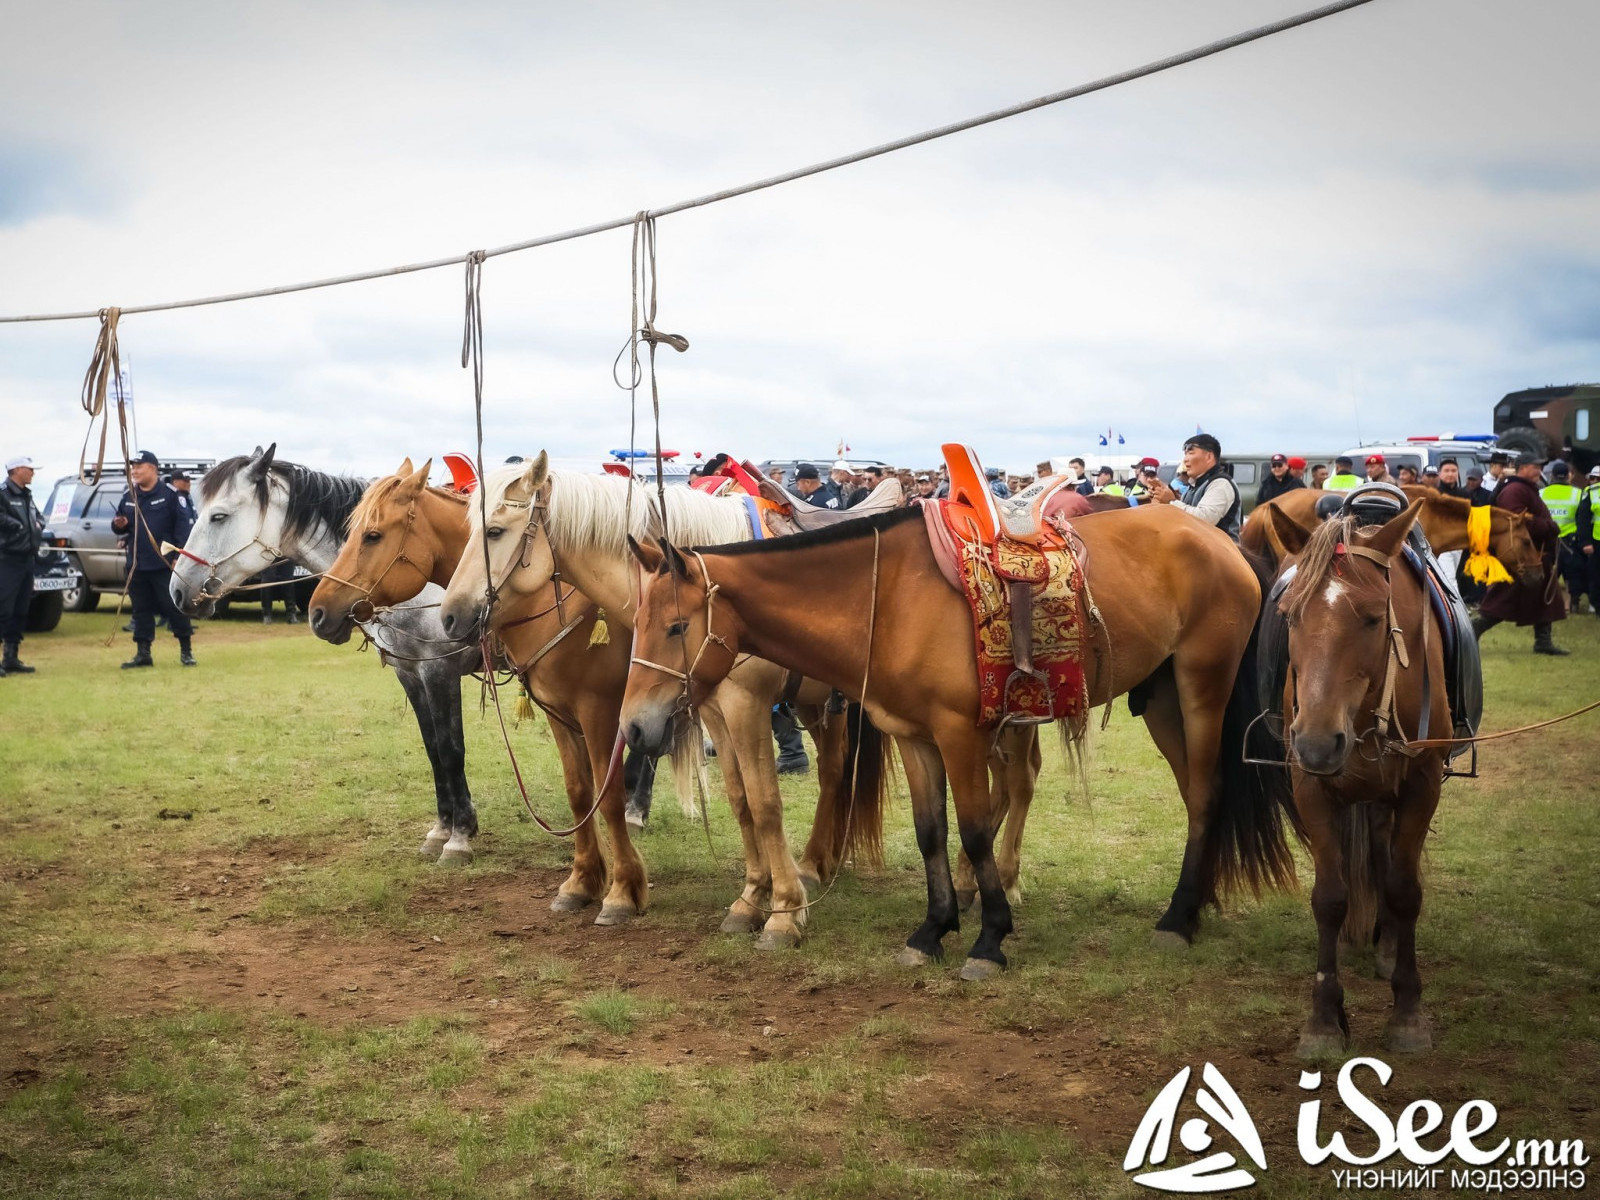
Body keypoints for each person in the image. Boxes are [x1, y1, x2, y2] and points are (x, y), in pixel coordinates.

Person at [1473, 452, 1568, 655]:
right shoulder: (1514, 490)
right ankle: (1472, 631)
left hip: (1534, 554)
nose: (1539, 471)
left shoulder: (1525, 488)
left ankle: (1543, 641)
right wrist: (1548, 526)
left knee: (1544, 596)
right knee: (1502, 600)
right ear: (1523, 467)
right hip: (1521, 555)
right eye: (1536, 467)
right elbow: (1517, 521)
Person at [111, 450, 198, 668]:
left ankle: (186, 651)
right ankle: (143, 653)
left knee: (174, 608)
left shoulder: (171, 495)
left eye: (139, 466)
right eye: (133, 467)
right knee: (141, 610)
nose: (134, 471)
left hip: (164, 565)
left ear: (152, 468)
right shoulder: (128, 495)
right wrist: (119, 525)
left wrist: (180, 556)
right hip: (137, 565)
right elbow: (119, 525)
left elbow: (182, 529)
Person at [1146, 433, 1241, 540]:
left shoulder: (1221, 484)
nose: (1185, 459)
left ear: (1209, 456)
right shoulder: (1194, 485)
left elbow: (1205, 520)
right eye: (1185, 454)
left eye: (1190, 453)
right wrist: (1160, 498)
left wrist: (1171, 502)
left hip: (1223, 554)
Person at [0, 455, 44, 677]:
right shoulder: (2, 494)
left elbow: (39, 518)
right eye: (30, 469)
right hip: (7, 559)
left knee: (20, 610)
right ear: (16, 470)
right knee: (3, 609)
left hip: (27, 559)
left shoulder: (27, 495)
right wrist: (16, 526)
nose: (33, 473)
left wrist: (37, 526)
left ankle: (11, 656)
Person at [1541, 461, 1585, 614]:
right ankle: (1570, 605)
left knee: (1548, 573)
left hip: (1548, 540)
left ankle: (1547, 603)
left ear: (1552, 476)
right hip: (1570, 540)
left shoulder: (1542, 493)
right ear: (1568, 476)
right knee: (1571, 575)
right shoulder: (1578, 493)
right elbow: (1583, 518)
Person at [1578, 465, 1600, 616]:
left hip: (1596, 539)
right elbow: (1583, 520)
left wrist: (1585, 542)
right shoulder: (1591, 493)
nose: (1591, 481)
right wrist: (1586, 542)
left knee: (1595, 573)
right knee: (1595, 573)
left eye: (1593, 478)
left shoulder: (1590, 492)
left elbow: (1583, 520)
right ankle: (1595, 604)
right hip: (1596, 539)